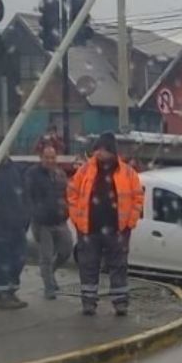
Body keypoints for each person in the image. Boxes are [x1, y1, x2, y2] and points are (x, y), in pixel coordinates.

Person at [67, 132, 143, 316]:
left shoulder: (127, 173)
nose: (99, 154)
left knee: (118, 266)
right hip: (89, 228)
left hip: (118, 229)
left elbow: (138, 198)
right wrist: (77, 220)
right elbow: (72, 194)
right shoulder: (84, 171)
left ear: (112, 151)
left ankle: (120, 302)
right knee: (88, 266)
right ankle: (88, 301)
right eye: (97, 150)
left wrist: (129, 223)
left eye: (103, 150)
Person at [25, 144, 73, 300]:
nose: (50, 160)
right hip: (43, 222)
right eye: (47, 157)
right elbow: (27, 196)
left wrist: (66, 210)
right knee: (46, 255)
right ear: (41, 158)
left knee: (66, 251)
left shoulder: (60, 174)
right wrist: (35, 214)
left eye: (53, 157)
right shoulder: (32, 174)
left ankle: (50, 272)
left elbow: (66, 193)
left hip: (60, 220)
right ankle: (49, 288)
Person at [0, 140, 31, 310]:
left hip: (17, 224)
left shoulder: (14, 169)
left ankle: (11, 291)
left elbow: (24, 194)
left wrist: (26, 216)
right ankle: (1, 294)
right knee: (1, 259)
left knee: (18, 259)